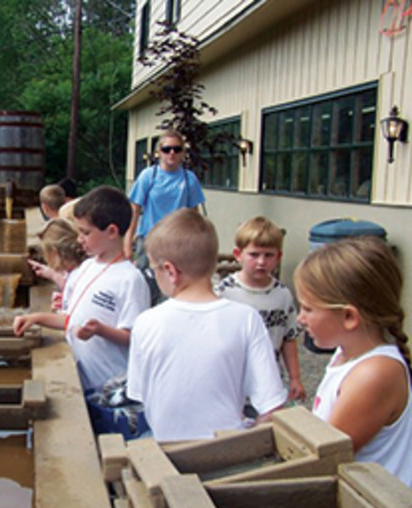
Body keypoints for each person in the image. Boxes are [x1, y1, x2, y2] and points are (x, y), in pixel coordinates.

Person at [127, 209, 287, 442]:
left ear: (170, 271)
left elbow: (140, 394)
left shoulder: (146, 322)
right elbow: (272, 409)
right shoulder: (246, 318)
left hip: (165, 452)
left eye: (154, 269)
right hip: (226, 453)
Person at [294, 237, 412, 492]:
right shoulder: (345, 355)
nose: (300, 319)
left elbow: (324, 458)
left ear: (349, 317)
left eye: (308, 309)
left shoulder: (374, 374)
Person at [14, 186, 149, 395]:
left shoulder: (130, 279)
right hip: (81, 380)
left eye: (86, 233)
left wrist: (100, 330)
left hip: (109, 387)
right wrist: (36, 318)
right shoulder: (86, 267)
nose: (79, 239)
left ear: (112, 231)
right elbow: (71, 321)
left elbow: (135, 337)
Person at [215, 216, 304, 403]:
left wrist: (295, 378)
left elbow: (289, 338)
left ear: (278, 257)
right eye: (254, 255)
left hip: (269, 383)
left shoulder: (283, 295)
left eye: (268, 255)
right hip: (232, 383)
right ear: (238, 254)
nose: (261, 262)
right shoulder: (224, 292)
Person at [125, 130, 206, 304]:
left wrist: (196, 241)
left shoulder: (189, 179)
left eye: (177, 149)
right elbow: (135, 209)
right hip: (148, 240)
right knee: (144, 288)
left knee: (172, 289)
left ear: (183, 153)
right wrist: (127, 241)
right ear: (158, 152)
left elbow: (194, 213)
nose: (171, 153)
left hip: (177, 242)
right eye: (166, 149)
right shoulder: (149, 176)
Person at [27, 217, 87, 311]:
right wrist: (51, 274)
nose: (44, 258)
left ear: (54, 253)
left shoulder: (77, 280)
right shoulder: (81, 270)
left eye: (44, 252)